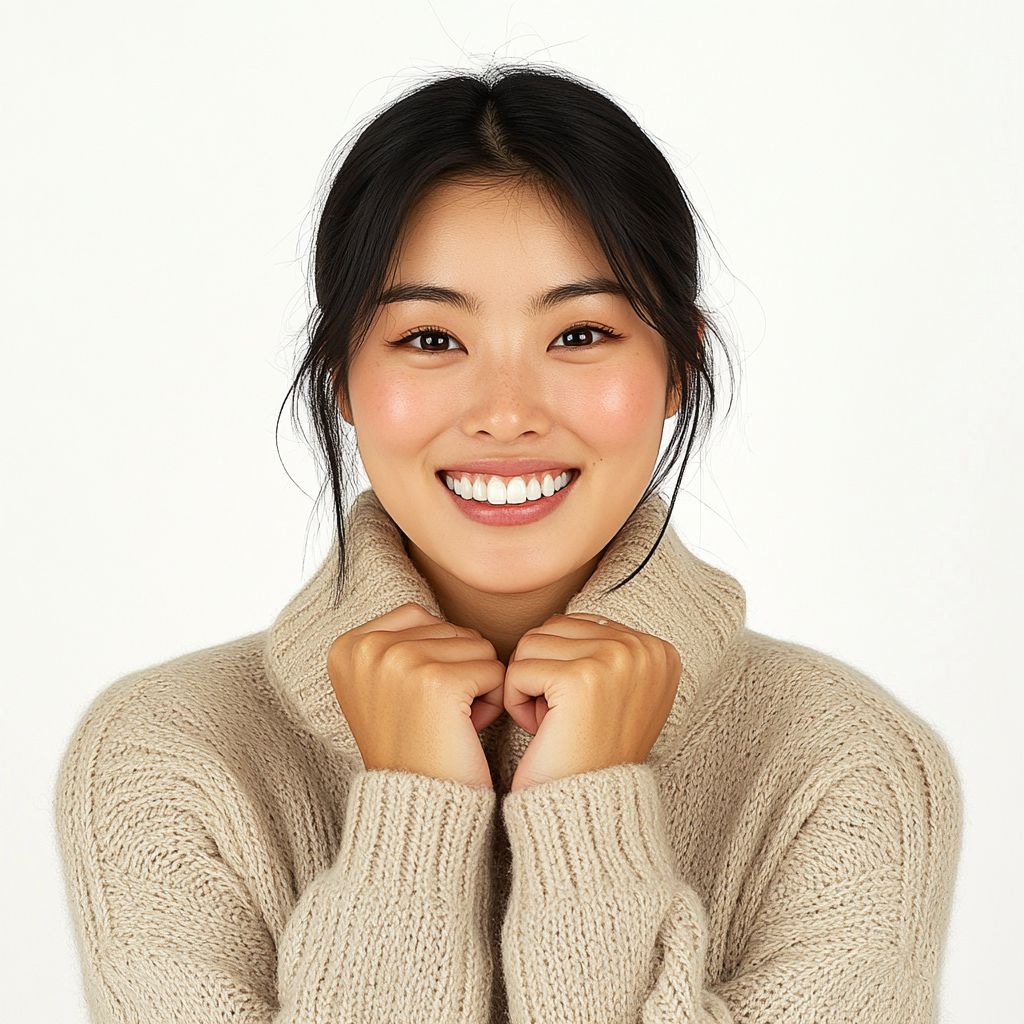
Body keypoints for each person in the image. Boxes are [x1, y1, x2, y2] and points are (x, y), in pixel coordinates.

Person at [56, 67, 961, 1023]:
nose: (504, 414)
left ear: (678, 369)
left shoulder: (846, 765)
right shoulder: (171, 756)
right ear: (339, 380)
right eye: (431, 340)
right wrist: (410, 811)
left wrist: (591, 811)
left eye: (578, 333)